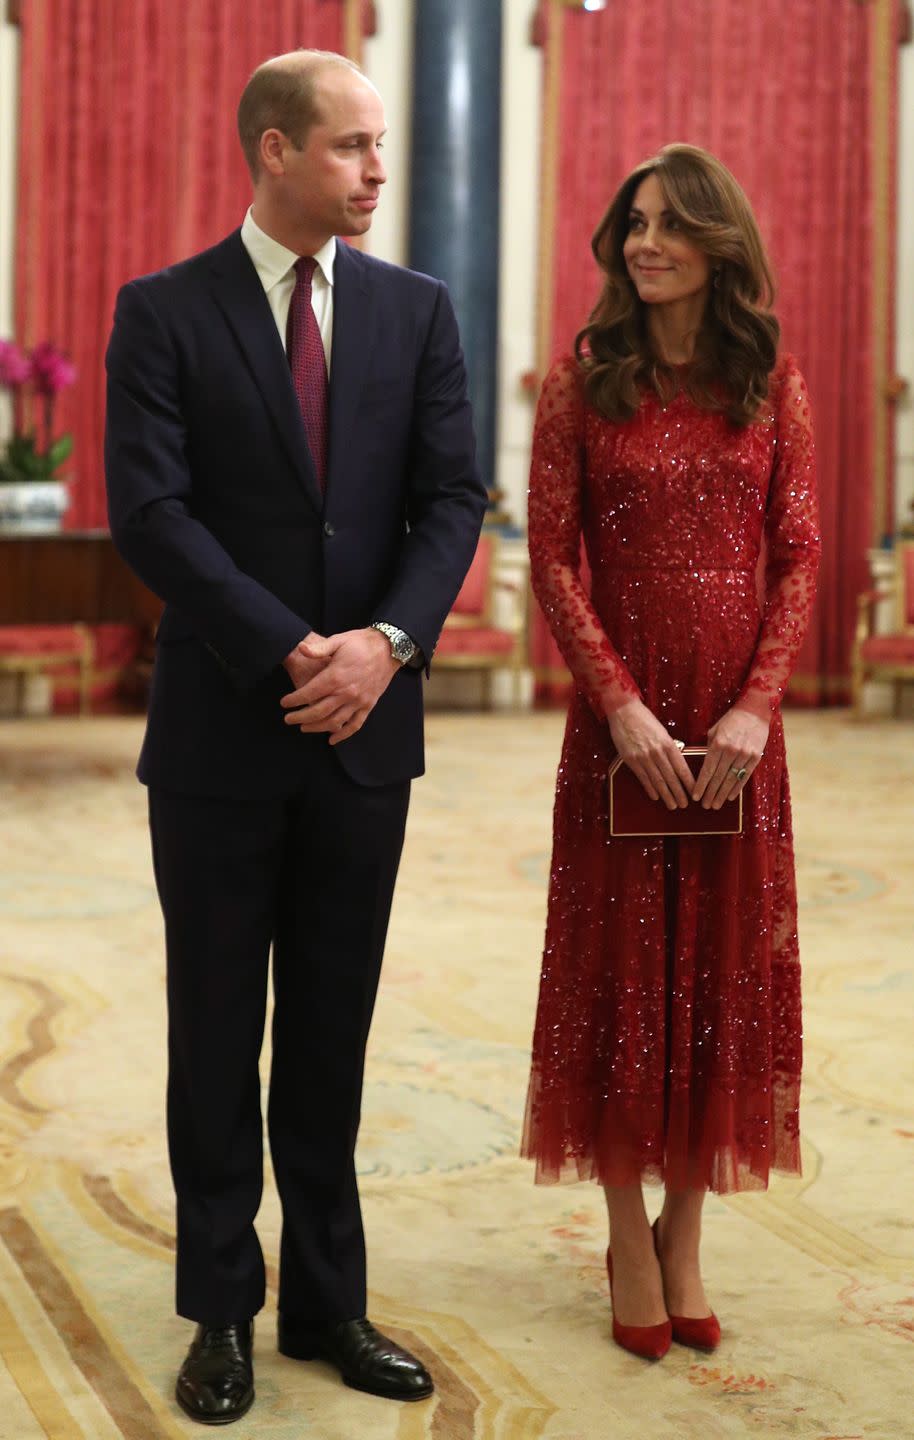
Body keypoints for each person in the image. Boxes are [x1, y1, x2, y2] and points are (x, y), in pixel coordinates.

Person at [105, 49, 486, 1424]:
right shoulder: (162, 313)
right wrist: (290, 648)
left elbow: (451, 501)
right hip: (220, 736)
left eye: (381, 146)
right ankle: (221, 1313)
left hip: (363, 733)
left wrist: (383, 647)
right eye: (350, 146)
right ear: (273, 150)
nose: (377, 170)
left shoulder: (417, 312)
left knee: (331, 1035)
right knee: (216, 1037)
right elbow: (152, 514)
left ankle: (331, 1304)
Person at [521, 144, 820, 1360]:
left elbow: (798, 554)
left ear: (717, 243)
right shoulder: (581, 381)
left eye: (667, 225)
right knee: (620, 977)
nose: (642, 242)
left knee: (716, 981)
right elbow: (551, 557)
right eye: (630, 224)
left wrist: (752, 707)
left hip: (736, 734)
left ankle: (684, 1230)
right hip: (622, 724)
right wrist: (620, 706)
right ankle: (623, 1235)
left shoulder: (769, 382)